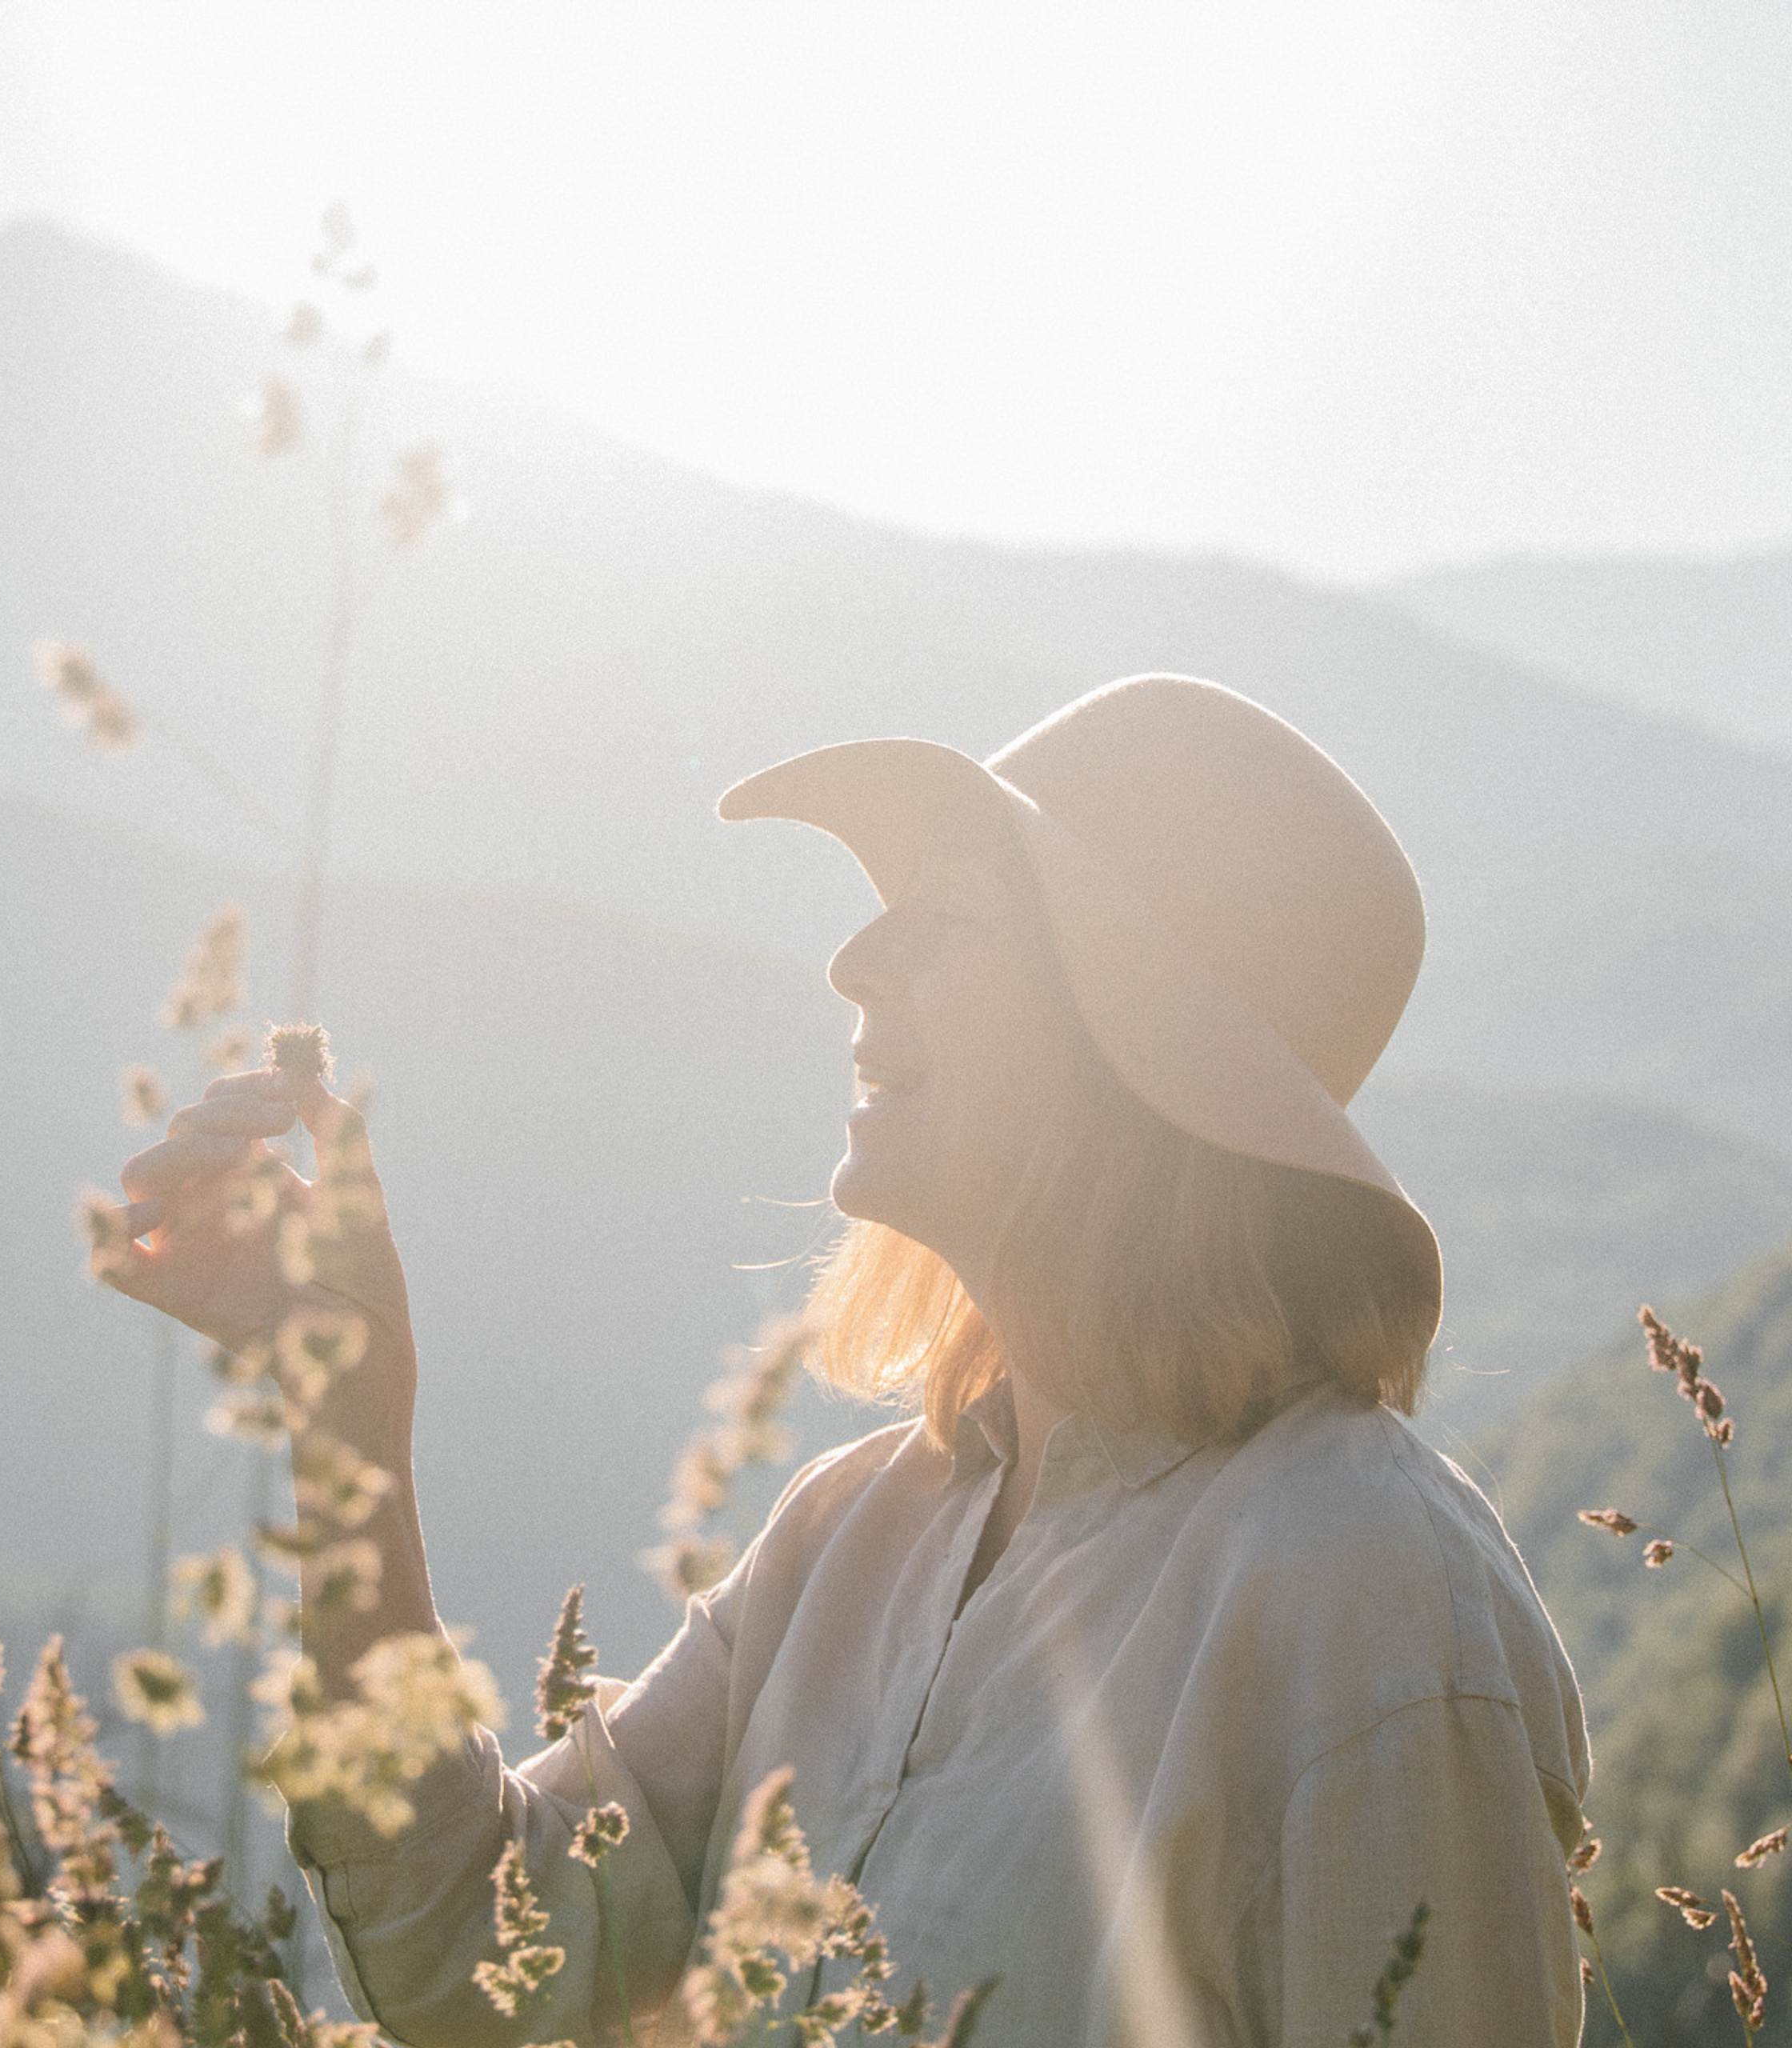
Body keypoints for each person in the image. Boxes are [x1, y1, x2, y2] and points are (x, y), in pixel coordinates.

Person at [108, 674, 1591, 2046]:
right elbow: (478, 1945)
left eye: (947, 916)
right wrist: (348, 1423)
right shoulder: (852, 1534)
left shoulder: (1374, 1598)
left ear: (1129, 1037)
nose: (853, 955)